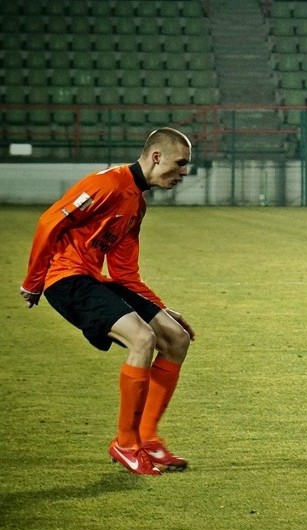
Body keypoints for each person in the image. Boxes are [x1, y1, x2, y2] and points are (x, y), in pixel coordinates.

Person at [20, 127, 195, 476]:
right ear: (156, 156)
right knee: (142, 339)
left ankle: (147, 439)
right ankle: (126, 445)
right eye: (180, 163)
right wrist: (34, 281)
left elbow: (124, 270)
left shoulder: (137, 203)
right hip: (66, 279)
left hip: (93, 279)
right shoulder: (108, 184)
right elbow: (49, 222)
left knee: (176, 337)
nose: (184, 172)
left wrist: (162, 309)